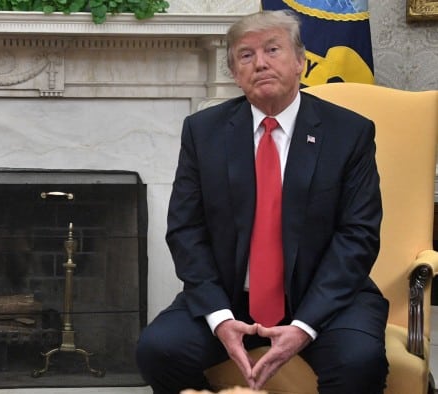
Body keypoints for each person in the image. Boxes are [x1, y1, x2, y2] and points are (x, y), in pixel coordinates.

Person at [136, 10, 388, 394]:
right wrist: (220, 318)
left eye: (273, 49)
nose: (261, 63)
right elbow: (186, 230)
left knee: (359, 363)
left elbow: (358, 236)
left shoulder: (349, 133)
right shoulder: (203, 132)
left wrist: (304, 326)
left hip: (326, 298)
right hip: (233, 297)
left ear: (301, 61)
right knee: (158, 351)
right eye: (246, 55)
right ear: (235, 73)